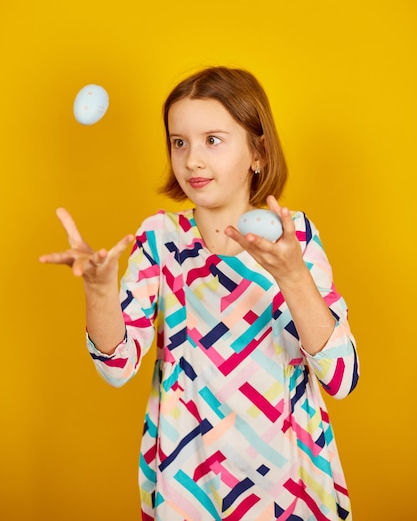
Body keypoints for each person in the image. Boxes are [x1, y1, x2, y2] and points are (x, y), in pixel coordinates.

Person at [40, 66, 359, 520]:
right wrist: (99, 291)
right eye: (179, 142)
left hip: (292, 485)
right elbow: (117, 366)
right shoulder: (160, 239)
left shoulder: (296, 239)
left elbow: (341, 377)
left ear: (258, 152)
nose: (191, 160)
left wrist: (292, 274)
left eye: (213, 140)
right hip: (186, 485)